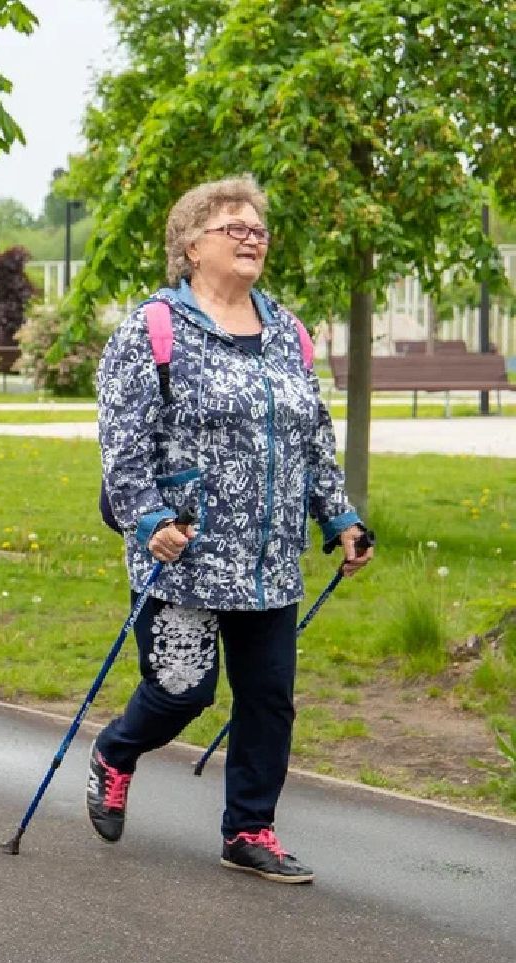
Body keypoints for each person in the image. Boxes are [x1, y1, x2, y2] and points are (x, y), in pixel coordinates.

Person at [91, 176, 373, 883]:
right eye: (233, 228)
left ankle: (249, 828)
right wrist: (148, 519)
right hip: (184, 552)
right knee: (183, 692)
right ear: (190, 245)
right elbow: (123, 442)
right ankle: (116, 753)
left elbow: (312, 437)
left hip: (271, 558)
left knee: (269, 698)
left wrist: (339, 516)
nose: (252, 237)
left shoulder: (286, 332)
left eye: (258, 229)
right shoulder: (153, 328)